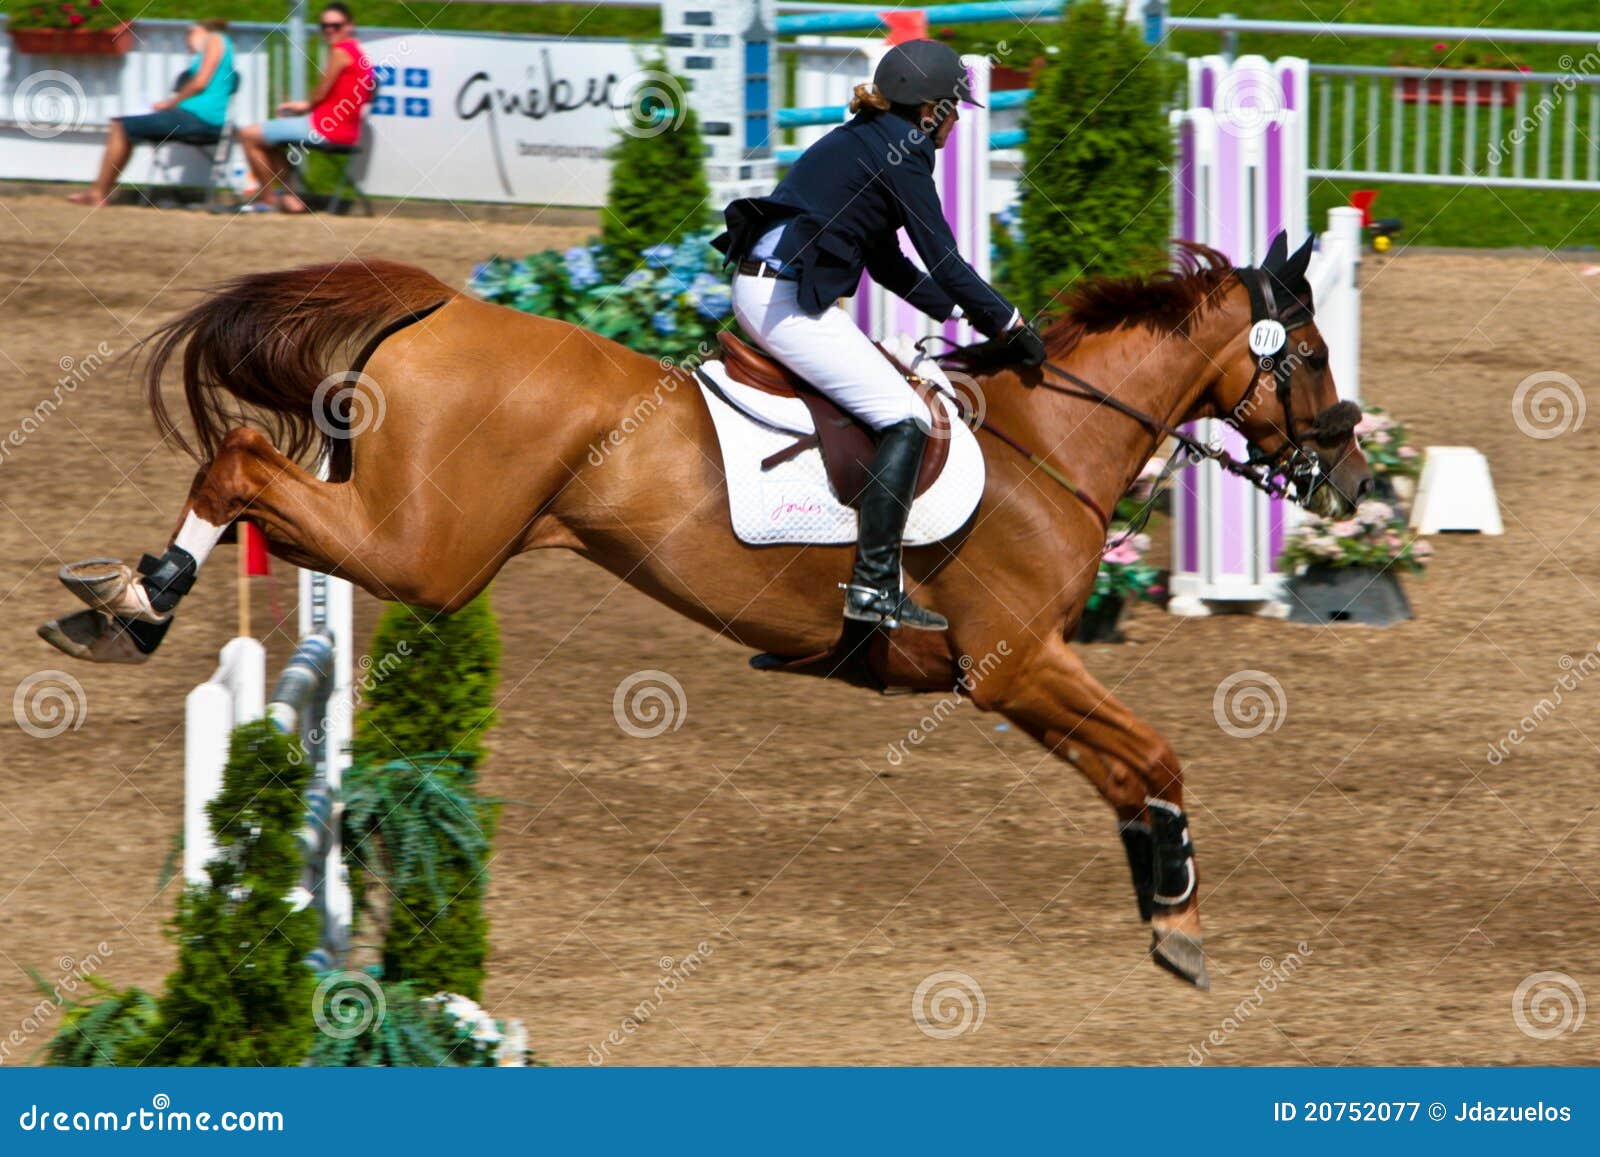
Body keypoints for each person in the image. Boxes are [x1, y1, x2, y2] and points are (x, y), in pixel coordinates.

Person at [713, 39, 1047, 633]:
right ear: (930, 111)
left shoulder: (868, 137)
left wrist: (956, 314)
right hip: (782, 298)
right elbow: (943, 258)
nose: (952, 124)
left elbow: (886, 258)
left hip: (768, 285)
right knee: (907, 418)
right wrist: (1009, 322)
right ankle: (872, 586)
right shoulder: (905, 150)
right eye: (951, 110)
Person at [67, 20, 236, 207]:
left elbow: (200, 82)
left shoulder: (215, 38)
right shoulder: (217, 46)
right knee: (124, 126)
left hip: (199, 119)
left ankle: (97, 193)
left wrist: (169, 104)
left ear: (202, 30)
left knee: (120, 125)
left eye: (190, 33)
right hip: (197, 119)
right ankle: (98, 192)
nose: (187, 39)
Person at [236, 3, 374, 212]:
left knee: (248, 134)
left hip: (323, 128)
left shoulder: (341, 51)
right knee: (270, 140)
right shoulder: (358, 53)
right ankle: (291, 200)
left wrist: (303, 107)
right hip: (345, 131)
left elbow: (321, 90)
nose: (329, 30)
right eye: (324, 25)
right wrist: (303, 106)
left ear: (349, 26)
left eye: (335, 25)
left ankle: (268, 199)